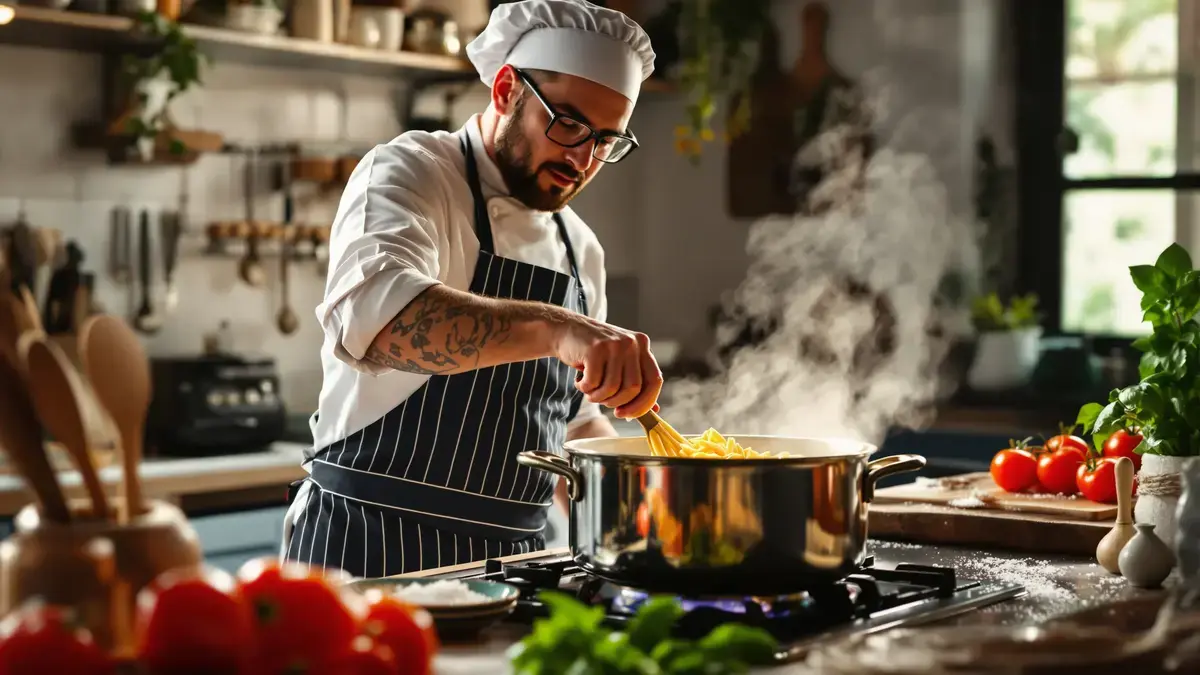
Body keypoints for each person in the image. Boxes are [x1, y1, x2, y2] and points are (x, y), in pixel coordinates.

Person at [281, 0, 663, 577]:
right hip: (365, 550)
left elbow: (572, 423)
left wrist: (637, 520)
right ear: (508, 89)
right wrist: (562, 329)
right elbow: (376, 323)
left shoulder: (581, 249)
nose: (583, 158)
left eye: (607, 140)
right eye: (568, 123)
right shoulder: (411, 173)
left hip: (511, 571)